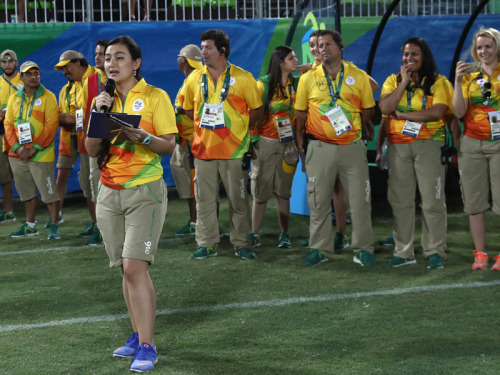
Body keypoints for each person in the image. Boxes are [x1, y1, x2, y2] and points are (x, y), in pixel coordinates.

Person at [85, 35, 177, 372]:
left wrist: (145, 138)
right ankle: (138, 334)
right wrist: (99, 114)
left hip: (145, 190)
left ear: (136, 63)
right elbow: (92, 150)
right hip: (108, 191)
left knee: (135, 267)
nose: (111, 63)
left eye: (120, 57)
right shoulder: (101, 100)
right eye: (108, 57)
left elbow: (169, 145)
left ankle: (149, 346)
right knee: (125, 269)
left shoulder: (156, 96)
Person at [295, 29, 376, 267]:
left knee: (360, 200)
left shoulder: (358, 75)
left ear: (340, 46)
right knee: (318, 201)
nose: (322, 49)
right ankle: (320, 248)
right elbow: (300, 113)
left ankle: (363, 248)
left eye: (328, 44)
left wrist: (358, 122)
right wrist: (301, 142)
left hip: (352, 146)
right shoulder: (307, 78)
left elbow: (369, 108)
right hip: (320, 147)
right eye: (319, 45)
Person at [183, 29, 263, 260]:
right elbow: (188, 109)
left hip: (235, 151)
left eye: (207, 48)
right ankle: (206, 243)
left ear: (223, 50)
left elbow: (256, 109)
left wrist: (239, 130)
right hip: (203, 150)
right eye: (202, 47)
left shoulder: (244, 77)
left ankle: (241, 243)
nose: (203, 52)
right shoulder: (194, 78)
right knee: (205, 201)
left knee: (238, 200)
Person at [377, 37, 451, 269]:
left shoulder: (439, 82)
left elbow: (437, 113)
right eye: (406, 55)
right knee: (401, 202)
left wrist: (404, 115)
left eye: (414, 54)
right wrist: (403, 83)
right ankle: (404, 251)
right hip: (398, 146)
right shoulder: (393, 80)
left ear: (424, 56)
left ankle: (435, 250)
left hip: (429, 144)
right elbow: (386, 109)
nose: (408, 59)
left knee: (433, 201)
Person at [453, 27, 500, 271]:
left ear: (497, 47)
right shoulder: (470, 76)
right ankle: (480, 254)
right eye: (479, 47)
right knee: (474, 202)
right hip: (471, 143)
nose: (483, 51)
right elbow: (459, 112)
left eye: (488, 46)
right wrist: (457, 80)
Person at [248, 45, 299, 249]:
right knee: (260, 192)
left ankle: (284, 234)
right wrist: (252, 142)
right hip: (265, 144)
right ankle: (254, 233)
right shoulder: (263, 85)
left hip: (289, 145)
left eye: (295, 58)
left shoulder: (296, 83)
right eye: (291, 58)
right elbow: (253, 114)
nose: (295, 61)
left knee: (283, 192)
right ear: (280, 63)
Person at [4, 61, 61, 239]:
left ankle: (54, 225)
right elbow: (8, 125)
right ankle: (30, 225)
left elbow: (51, 126)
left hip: (41, 153)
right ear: (21, 77)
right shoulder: (14, 98)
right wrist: (17, 148)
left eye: (36, 73)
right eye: (29, 74)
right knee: (27, 193)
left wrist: (34, 148)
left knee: (49, 193)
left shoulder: (48, 97)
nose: (33, 76)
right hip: (18, 154)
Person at [54, 50, 99, 241]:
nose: (65, 72)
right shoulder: (65, 89)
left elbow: (88, 114)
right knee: (84, 182)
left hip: (92, 139)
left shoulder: (96, 78)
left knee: (94, 182)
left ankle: (102, 226)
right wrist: (67, 118)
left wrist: (69, 118)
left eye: (67, 67)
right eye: (62, 69)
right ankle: (94, 222)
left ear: (79, 62)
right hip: (70, 137)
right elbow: (62, 115)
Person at [171, 44, 203, 236]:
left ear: (183, 60)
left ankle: (199, 222)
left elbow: (196, 107)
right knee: (188, 183)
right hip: (184, 141)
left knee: (196, 184)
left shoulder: (194, 79)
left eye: (178, 56)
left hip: (193, 141)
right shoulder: (190, 79)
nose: (177, 59)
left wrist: (177, 110)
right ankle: (194, 221)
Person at [81, 40, 109, 245]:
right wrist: (86, 137)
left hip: (118, 140)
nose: (97, 58)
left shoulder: (123, 79)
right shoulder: (89, 81)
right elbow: (84, 114)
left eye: (102, 54)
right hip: (96, 139)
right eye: (97, 54)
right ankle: (100, 227)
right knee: (95, 183)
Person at [0, 49, 23, 223]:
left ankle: (46, 210)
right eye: (4, 62)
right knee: (5, 175)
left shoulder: (24, 80)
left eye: (10, 61)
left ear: (16, 63)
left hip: (22, 132)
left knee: (27, 172)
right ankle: (8, 211)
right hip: (2, 133)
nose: (7, 64)